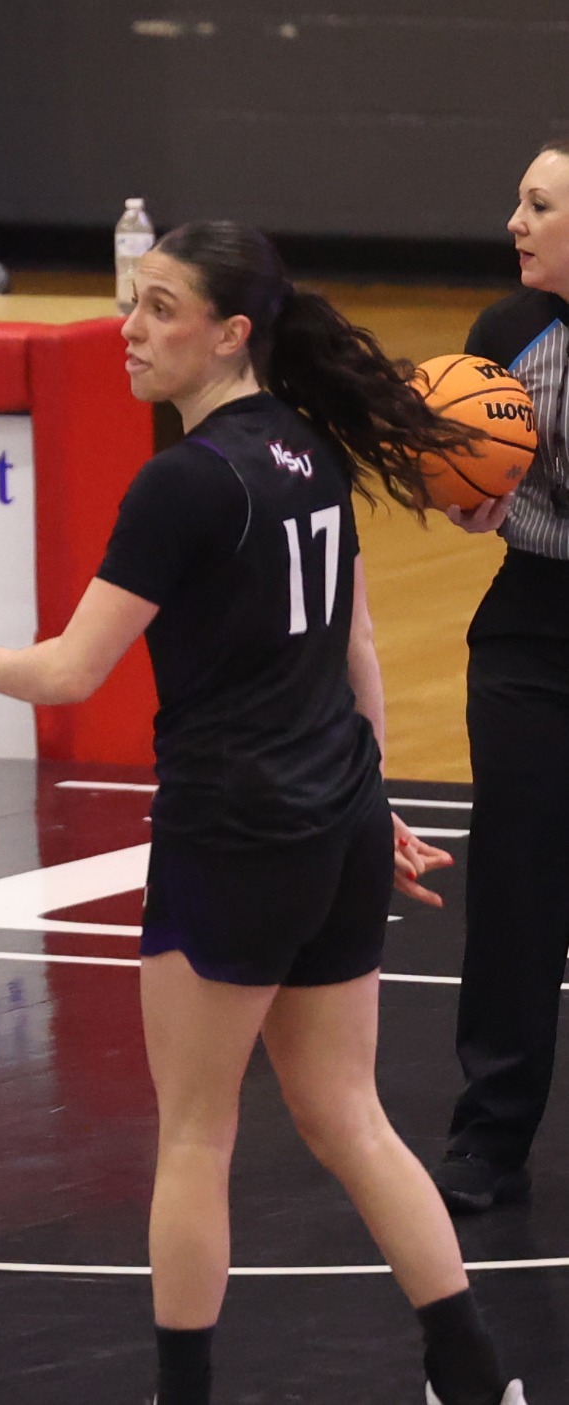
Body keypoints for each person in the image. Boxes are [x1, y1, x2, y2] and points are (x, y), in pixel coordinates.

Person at [0, 221, 525, 1405]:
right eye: (131, 303)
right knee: (348, 1115)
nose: (129, 329)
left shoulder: (184, 480)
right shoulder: (306, 448)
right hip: (333, 820)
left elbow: (71, 671)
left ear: (228, 334)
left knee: (195, 1134)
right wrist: (375, 803)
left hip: (234, 831)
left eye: (158, 309)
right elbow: (354, 643)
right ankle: (475, 1379)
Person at [434, 135, 569, 1216]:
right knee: (517, 889)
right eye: (518, 201)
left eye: (538, 205)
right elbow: (469, 494)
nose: (514, 224)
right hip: (528, 632)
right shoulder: (501, 335)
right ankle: (488, 1137)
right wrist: (462, 493)